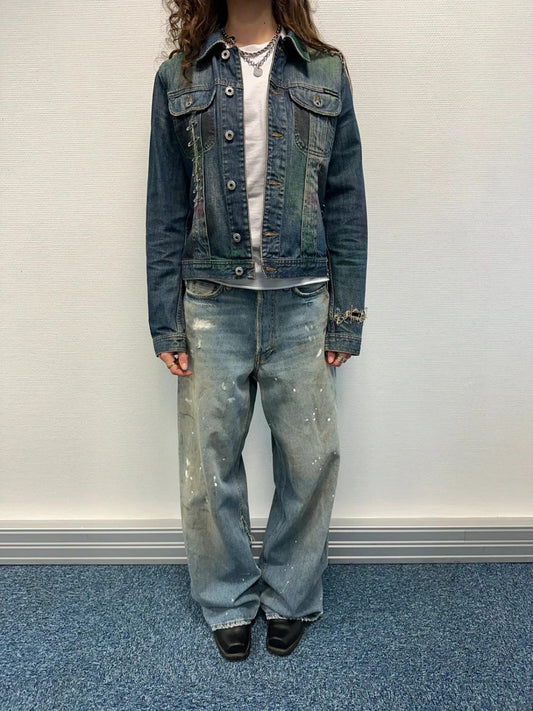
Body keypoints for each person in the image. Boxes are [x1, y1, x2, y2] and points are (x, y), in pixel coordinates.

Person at [146, 0, 368, 661]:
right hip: (210, 301)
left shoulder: (324, 72)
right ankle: (227, 599)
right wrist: (165, 320)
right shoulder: (179, 76)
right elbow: (165, 207)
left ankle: (291, 595)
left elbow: (346, 201)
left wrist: (346, 315)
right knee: (208, 463)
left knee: (310, 459)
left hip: (302, 300)